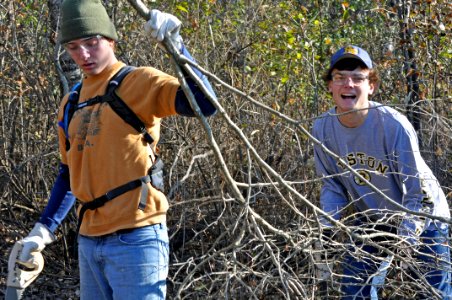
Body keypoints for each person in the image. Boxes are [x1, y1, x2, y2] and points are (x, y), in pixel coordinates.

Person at [8, 0, 216, 299]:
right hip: (89, 241)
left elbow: (205, 104)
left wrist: (177, 47)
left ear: (110, 40)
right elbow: (70, 173)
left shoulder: (140, 81)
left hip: (137, 235)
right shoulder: (72, 102)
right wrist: (44, 229)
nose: (84, 54)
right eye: (73, 47)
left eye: (92, 43)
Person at [312, 45, 451, 299]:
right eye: (340, 78)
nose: (348, 84)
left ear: (371, 86)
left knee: (432, 293)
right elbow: (332, 187)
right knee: (354, 289)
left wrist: (406, 243)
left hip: (423, 215)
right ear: (330, 86)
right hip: (373, 218)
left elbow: (417, 193)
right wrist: (328, 229)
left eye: (357, 78)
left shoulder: (393, 126)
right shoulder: (322, 128)